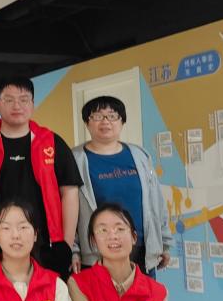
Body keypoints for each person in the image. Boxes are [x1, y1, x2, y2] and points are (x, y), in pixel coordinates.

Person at [0, 76, 83, 278]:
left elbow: (70, 191)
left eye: (23, 99)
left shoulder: (52, 142)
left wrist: (66, 244)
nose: (16, 105)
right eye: (9, 100)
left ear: (32, 104)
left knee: (50, 298)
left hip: (48, 246)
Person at [72, 97, 172, 276]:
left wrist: (163, 242)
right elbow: (66, 210)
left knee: (144, 295)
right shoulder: (75, 159)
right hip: (98, 252)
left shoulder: (140, 155)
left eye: (112, 116)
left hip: (141, 249)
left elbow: (156, 201)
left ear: (122, 122)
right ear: (87, 122)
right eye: (97, 116)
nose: (105, 122)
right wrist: (73, 249)